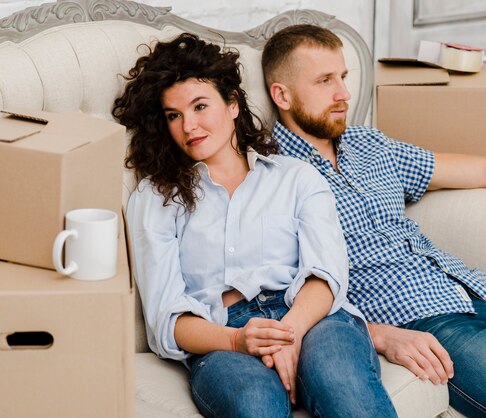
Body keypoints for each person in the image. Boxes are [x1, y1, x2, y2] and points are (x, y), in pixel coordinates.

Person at [262, 24, 486, 417]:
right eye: (325, 81)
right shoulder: (270, 179)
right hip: (429, 325)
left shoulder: (369, 144)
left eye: (344, 77)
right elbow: (270, 303)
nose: (344, 94)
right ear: (281, 94)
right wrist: (379, 336)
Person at [113, 33, 396, 418]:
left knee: (340, 383)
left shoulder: (296, 177)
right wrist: (238, 340)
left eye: (200, 106)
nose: (189, 126)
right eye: (174, 116)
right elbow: (168, 321)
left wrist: (288, 334)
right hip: (222, 333)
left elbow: (327, 273)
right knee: (254, 405)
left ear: (232, 105)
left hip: (310, 317)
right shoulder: (156, 198)